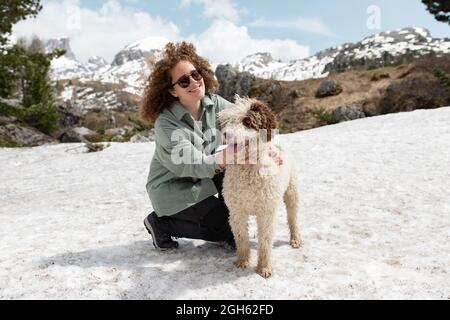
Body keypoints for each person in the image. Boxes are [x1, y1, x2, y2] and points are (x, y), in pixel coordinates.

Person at [139, 41, 281, 251]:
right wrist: (232, 155)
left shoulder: (214, 104)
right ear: (172, 91)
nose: (194, 82)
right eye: (184, 81)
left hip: (202, 180)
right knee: (225, 228)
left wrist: (268, 145)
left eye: (196, 75)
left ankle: (227, 223)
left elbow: (248, 121)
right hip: (174, 191)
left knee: (233, 209)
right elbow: (193, 164)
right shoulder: (166, 124)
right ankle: (160, 223)